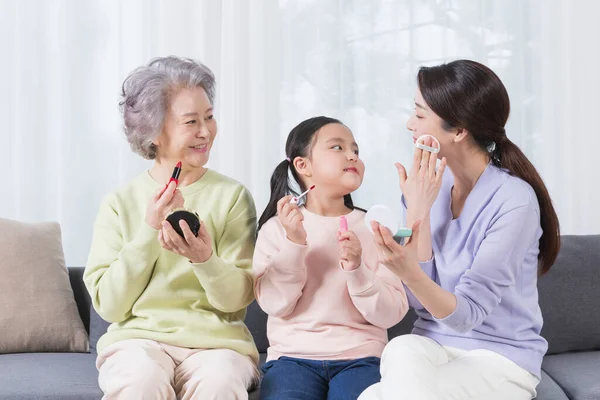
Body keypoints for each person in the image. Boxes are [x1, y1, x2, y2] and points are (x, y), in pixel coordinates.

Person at [360, 59, 561, 400]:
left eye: (420, 114)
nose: (410, 124)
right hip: (432, 348)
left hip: (500, 359)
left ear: (458, 131)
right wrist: (418, 212)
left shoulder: (514, 201)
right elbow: (421, 306)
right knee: (401, 347)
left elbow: (465, 316)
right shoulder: (424, 190)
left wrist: (409, 272)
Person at [84, 56, 259, 400]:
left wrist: (205, 258)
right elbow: (110, 306)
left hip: (217, 345)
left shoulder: (233, 197)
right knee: (141, 382)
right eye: (191, 122)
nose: (206, 131)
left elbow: (236, 302)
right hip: (137, 342)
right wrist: (149, 229)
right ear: (154, 133)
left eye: (209, 117)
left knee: (220, 382)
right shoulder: (119, 202)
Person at [253, 116, 409, 400]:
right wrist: (294, 243)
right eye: (337, 147)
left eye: (356, 150)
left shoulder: (376, 228)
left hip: (363, 358)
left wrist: (357, 270)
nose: (351, 155)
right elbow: (275, 304)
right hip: (291, 359)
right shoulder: (277, 229)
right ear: (303, 165)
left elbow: (391, 313)